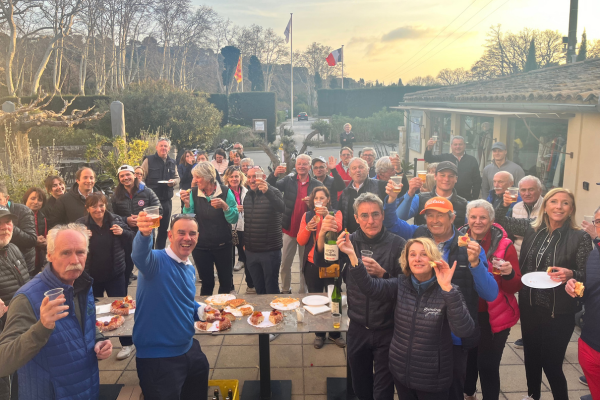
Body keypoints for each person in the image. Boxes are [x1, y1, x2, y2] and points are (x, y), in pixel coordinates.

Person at [383, 190, 499, 400]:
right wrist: (392, 198)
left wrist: (475, 264)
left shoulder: (469, 247)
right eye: (430, 215)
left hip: (454, 337)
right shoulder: (419, 237)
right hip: (422, 336)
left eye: (441, 215)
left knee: (453, 391)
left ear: (453, 218)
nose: (434, 220)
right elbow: (391, 222)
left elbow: (490, 293)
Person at [494, 188, 592, 400]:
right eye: (554, 202)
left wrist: (572, 273)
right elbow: (499, 220)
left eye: (565, 203)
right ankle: (532, 396)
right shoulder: (531, 228)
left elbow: (588, 273)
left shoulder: (580, 236)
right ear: (545, 206)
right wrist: (504, 203)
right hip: (530, 305)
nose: (559, 206)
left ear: (571, 208)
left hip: (559, 311)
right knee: (531, 357)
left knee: (552, 363)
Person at [349, 236, 475, 399]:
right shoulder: (400, 284)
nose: (417, 258)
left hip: (432, 380)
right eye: (412, 254)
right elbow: (371, 287)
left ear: (433, 258)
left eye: (424, 254)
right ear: (406, 260)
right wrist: (352, 256)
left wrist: (448, 289)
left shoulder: (449, 290)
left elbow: (464, 330)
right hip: (402, 375)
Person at [0, 224, 113, 400]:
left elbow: (83, 323)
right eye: (66, 253)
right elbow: (3, 362)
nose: (75, 260)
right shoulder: (27, 298)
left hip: (87, 389)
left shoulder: (82, 284)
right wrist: (42, 327)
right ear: (50, 255)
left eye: (80, 252)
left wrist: (98, 340)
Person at [314, 192, 406, 399]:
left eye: (375, 214)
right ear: (356, 218)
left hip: (388, 329)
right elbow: (323, 264)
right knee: (360, 387)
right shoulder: (349, 241)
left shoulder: (398, 244)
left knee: (383, 391)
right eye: (364, 216)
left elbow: (409, 285)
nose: (370, 221)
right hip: (357, 327)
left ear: (383, 215)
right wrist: (322, 234)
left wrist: (384, 274)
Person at [131, 211, 217, 400]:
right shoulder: (155, 262)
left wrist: (202, 310)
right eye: (181, 233)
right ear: (170, 235)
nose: (187, 238)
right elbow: (139, 255)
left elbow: (184, 300)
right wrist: (145, 234)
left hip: (188, 348)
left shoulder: (189, 267)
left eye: (192, 233)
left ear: (198, 237)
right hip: (158, 359)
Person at [460, 200, 522, 400]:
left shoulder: (505, 245)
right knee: (467, 360)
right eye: (473, 217)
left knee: (487, 365)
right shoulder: (457, 241)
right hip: (465, 312)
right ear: (467, 219)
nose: (478, 222)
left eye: (483, 217)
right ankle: (468, 393)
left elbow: (515, 286)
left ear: (492, 220)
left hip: (494, 316)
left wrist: (509, 274)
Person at [76, 193, 135, 360]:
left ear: (105, 206)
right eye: (93, 206)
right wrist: (81, 237)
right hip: (91, 277)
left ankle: (127, 343)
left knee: (123, 309)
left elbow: (132, 238)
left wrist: (123, 232)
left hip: (115, 273)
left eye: (101, 205)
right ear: (87, 208)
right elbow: (72, 244)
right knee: (94, 311)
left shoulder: (115, 220)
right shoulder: (81, 224)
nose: (98, 209)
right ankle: (99, 342)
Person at [296, 186, 345, 349]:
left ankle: (335, 333)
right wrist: (306, 229)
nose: (319, 201)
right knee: (315, 300)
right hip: (312, 264)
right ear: (312, 200)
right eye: (316, 198)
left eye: (322, 198)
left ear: (328, 199)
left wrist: (325, 216)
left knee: (334, 299)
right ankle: (319, 333)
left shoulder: (335, 213)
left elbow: (337, 228)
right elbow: (301, 241)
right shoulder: (308, 216)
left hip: (331, 263)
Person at [181, 162, 239, 295]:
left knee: (226, 283)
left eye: (198, 177)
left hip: (223, 245)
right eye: (194, 177)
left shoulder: (225, 191)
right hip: (201, 246)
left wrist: (225, 207)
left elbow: (234, 219)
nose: (194, 181)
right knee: (207, 283)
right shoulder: (193, 193)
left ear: (208, 177)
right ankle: (206, 313)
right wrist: (187, 205)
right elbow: (189, 220)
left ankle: (223, 312)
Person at [267, 154, 321, 294]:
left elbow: (324, 203)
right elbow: (271, 188)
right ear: (296, 166)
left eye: (305, 164)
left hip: (307, 231)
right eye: (299, 164)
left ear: (310, 167)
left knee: (305, 266)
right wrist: (274, 175)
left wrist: (314, 203)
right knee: (285, 264)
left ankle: (303, 291)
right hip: (289, 229)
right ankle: (285, 290)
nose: (302, 166)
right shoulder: (288, 180)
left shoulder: (317, 184)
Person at [565, 206, 600, 400]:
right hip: (590, 343)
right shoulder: (595, 254)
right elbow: (590, 293)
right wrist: (576, 288)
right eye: (599, 221)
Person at [111, 165, 162, 285]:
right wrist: (125, 219)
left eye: (128, 174)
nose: (125, 178)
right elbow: (111, 215)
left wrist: (142, 217)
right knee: (126, 265)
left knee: (147, 262)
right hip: (125, 234)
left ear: (134, 175)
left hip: (145, 234)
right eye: (122, 176)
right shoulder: (115, 195)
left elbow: (159, 210)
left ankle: (151, 285)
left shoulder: (147, 191)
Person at [0, 205, 30, 400]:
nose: (5, 227)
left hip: (20, 323)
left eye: (8, 222)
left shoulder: (13, 248)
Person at [243, 167, 285, 294]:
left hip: (269, 251)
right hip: (251, 251)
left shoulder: (274, 191)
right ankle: (262, 314)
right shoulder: (248, 195)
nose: (251, 180)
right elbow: (248, 222)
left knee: (271, 288)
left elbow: (282, 208)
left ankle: (275, 313)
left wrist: (268, 192)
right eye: (249, 177)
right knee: (259, 289)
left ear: (264, 177)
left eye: (255, 176)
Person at [339, 157, 407, 233]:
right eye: (354, 168)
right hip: (353, 238)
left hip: (376, 235)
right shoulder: (345, 193)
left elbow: (402, 190)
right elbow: (341, 216)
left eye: (361, 167)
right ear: (350, 173)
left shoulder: (379, 185)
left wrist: (398, 170)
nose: (358, 170)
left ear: (368, 170)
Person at [395, 161, 468, 229]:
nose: (446, 179)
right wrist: (410, 194)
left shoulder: (464, 204)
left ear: (456, 179)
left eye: (451, 176)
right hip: (424, 242)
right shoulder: (420, 198)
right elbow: (398, 218)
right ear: (435, 176)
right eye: (442, 175)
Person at [142, 138, 179, 250]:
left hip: (166, 201)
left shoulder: (172, 162)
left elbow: (177, 178)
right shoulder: (148, 160)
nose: (163, 148)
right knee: (151, 230)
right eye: (161, 146)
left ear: (169, 148)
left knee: (163, 230)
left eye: (165, 146)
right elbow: (141, 178)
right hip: (152, 202)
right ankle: (150, 253)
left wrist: (173, 182)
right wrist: (144, 193)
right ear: (156, 147)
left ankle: (159, 252)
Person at [223, 166, 255, 293]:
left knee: (246, 257)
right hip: (228, 228)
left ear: (241, 177)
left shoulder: (246, 191)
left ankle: (250, 285)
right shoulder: (224, 192)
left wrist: (245, 209)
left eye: (236, 176)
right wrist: (234, 209)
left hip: (243, 228)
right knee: (228, 259)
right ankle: (230, 287)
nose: (234, 179)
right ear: (227, 178)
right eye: (231, 176)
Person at [424, 136, 482, 201]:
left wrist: (474, 198)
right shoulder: (445, 157)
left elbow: (477, 181)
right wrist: (429, 148)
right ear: (451, 146)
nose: (458, 147)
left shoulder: (472, 160)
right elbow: (428, 158)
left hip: (466, 198)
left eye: (460, 144)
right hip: (446, 198)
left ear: (464, 145)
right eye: (455, 144)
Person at [0, 183, 37, 275]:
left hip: (22, 267)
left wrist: (8, 226)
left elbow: (31, 240)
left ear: (6, 199)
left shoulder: (23, 211)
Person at [512, 175, 544, 255]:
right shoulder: (516, 207)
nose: (527, 193)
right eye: (523, 190)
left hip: (537, 257)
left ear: (540, 190)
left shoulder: (548, 207)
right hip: (517, 255)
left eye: (531, 189)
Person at [22, 187, 48, 275]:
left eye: (40, 200)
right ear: (26, 199)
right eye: (33, 198)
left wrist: (45, 243)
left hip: (37, 259)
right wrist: (34, 240)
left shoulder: (42, 217)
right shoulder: (18, 214)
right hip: (22, 259)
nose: (36, 202)